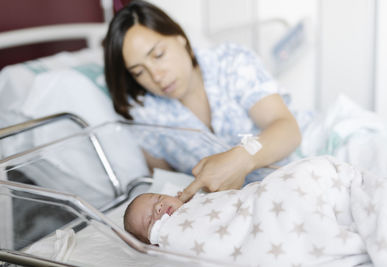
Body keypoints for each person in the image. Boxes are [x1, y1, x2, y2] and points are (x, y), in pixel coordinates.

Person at [103, 0, 302, 203]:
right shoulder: (144, 112)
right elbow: (166, 183)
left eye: (159, 55)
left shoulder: (230, 62)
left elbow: (287, 130)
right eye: (139, 72)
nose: (156, 75)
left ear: (180, 39)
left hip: (292, 175)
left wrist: (243, 157)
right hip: (232, 206)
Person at [123, 156, 387, 266]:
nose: (158, 207)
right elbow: (219, 240)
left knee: (298, 181)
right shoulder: (174, 237)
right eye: (151, 218)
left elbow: (244, 201)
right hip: (273, 230)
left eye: (157, 198)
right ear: (151, 241)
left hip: (280, 195)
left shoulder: (201, 201)